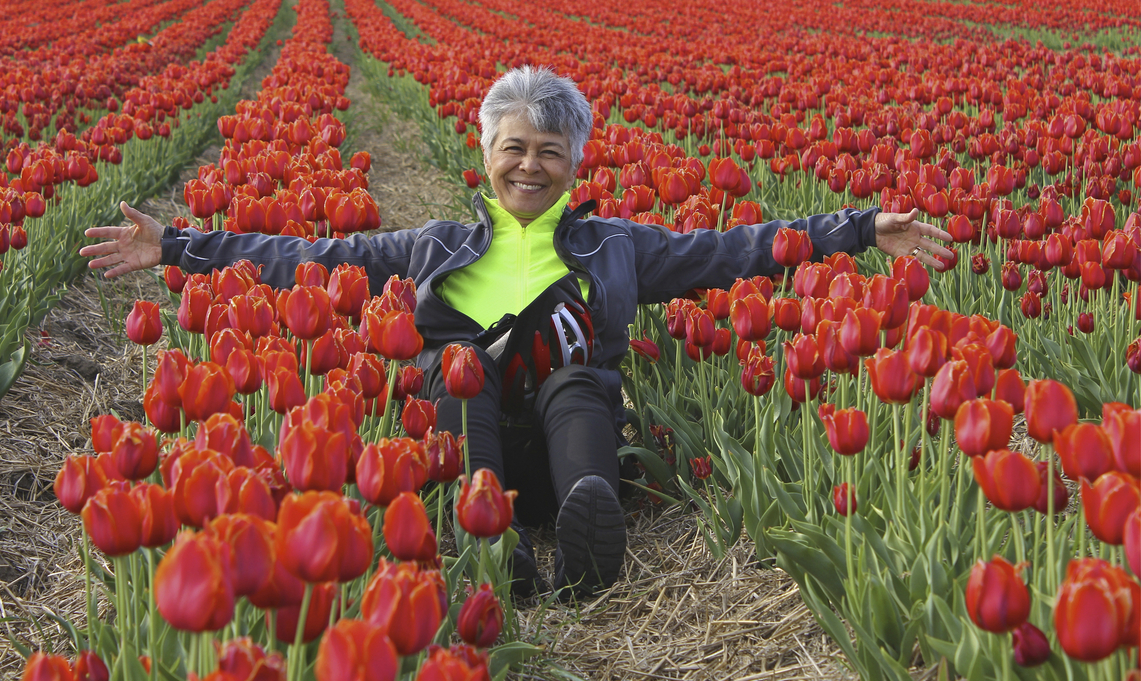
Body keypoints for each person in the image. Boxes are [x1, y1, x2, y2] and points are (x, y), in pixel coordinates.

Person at [81, 66, 954, 597]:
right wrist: (179, 247)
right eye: (514, 147)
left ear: (574, 164)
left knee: (579, 378)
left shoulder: (617, 245)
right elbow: (309, 254)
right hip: (472, 447)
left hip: (575, 451)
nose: (529, 164)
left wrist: (859, 226)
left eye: (549, 151)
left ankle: (587, 530)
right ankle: (489, 537)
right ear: (487, 154)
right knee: (459, 364)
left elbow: (736, 248)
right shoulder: (434, 247)